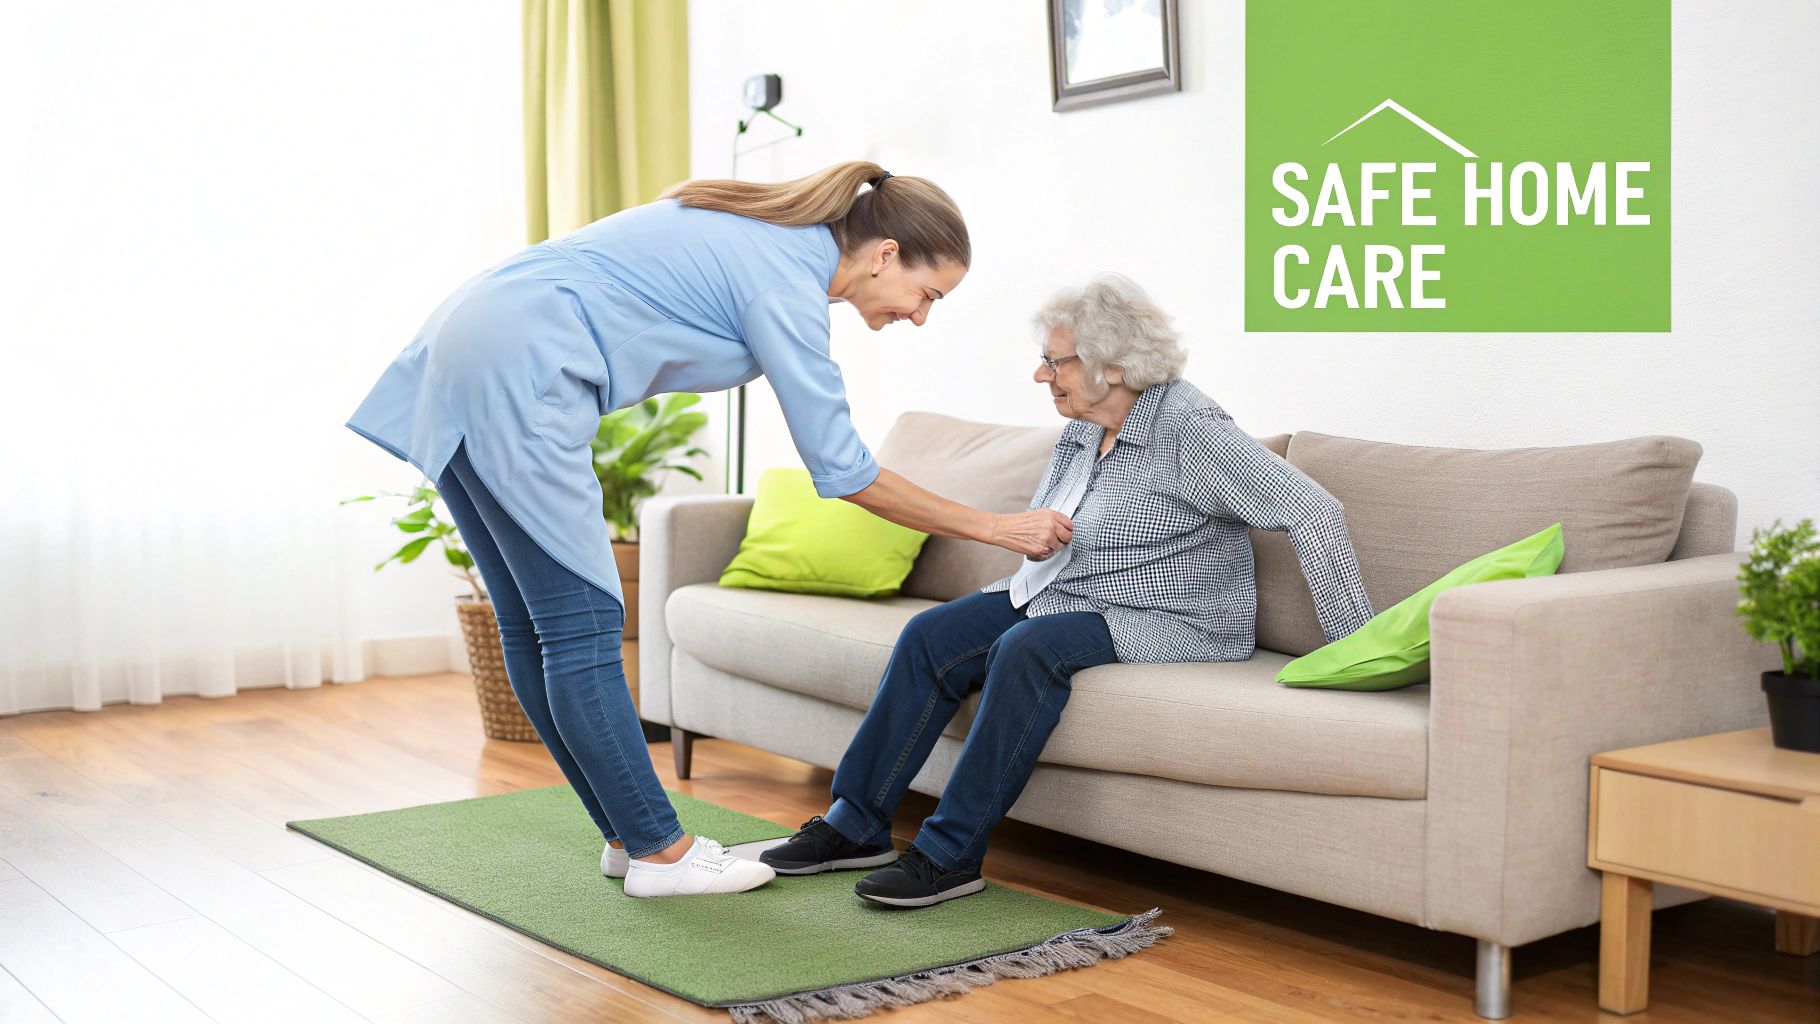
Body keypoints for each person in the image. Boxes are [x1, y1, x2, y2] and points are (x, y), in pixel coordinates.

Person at [344, 162, 1074, 898]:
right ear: (884, 253)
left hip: (470, 340)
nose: (919, 315)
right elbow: (845, 472)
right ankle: (662, 853)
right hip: (522, 366)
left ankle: (630, 838)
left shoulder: (762, 234)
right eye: (928, 295)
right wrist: (995, 526)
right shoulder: (786, 282)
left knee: (534, 624)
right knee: (581, 625)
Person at [760, 273, 1377, 907]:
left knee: (1030, 647)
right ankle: (855, 824)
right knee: (930, 635)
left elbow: (1313, 511)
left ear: (1113, 365)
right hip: (1067, 590)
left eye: (1054, 362)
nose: (1041, 375)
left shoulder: (1191, 431)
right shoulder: (1084, 424)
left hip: (1177, 616)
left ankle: (949, 855)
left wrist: (1356, 651)